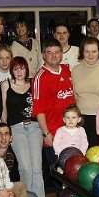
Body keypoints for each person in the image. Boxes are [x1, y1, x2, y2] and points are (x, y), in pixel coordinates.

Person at [1, 56, 45, 197]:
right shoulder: (6, 85)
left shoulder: (34, 84)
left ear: (27, 69)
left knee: (37, 168)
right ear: (11, 70)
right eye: (15, 68)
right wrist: (4, 132)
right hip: (16, 128)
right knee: (25, 167)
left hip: (34, 127)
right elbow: (3, 112)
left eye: (22, 68)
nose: (19, 71)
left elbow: (42, 107)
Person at [32, 39, 76, 170]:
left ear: (61, 54)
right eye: (49, 52)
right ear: (43, 55)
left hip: (72, 130)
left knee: (74, 169)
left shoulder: (67, 70)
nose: (53, 55)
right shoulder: (40, 77)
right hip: (54, 133)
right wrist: (46, 134)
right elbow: (38, 110)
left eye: (57, 52)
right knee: (59, 171)